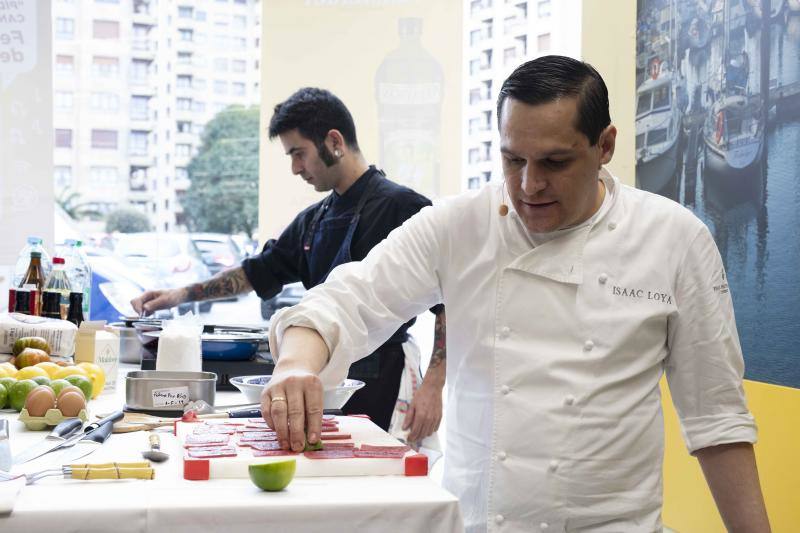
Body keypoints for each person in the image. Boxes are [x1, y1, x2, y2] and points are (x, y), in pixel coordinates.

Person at [261, 57, 770, 532]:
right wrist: (295, 367)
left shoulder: (675, 239)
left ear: (605, 146)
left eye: (555, 161)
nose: (529, 184)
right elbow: (349, 298)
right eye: (512, 159)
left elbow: (717, 419)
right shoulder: (461, 224)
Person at [131, 87, 445, 442]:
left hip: (384, 376)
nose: (296, 168)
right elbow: (256, 272)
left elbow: (447, 304)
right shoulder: (314, 219)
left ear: (334, 141)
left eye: (299, 153)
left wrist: (434, 385)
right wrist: (178, 295)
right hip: (323, 378)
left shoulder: (403, 208)